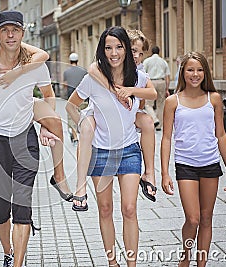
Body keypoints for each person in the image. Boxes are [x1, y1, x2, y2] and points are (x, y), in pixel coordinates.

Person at [0, 10, 63, 267]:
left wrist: (45, 126)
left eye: (15, 30)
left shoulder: (34, 65)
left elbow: (48, 95)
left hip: (25, 142)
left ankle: (17, 262)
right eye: (5, 30)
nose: (10, 35)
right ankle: (9, 251)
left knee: (22, 207)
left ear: (22, 33)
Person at [0, 12, 72, 207]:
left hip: (22, 103)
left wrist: (44, 125)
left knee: (56, 122)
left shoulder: (12, 43)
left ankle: (59, 176)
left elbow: (43, 56)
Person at [66, 26, 157, 266]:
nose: (114, 53)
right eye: (108, 47)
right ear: (102, 50)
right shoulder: (93, 78)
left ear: (127, 49)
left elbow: (154, 94)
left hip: (128, 150)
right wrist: (86, 125)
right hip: (101, 153)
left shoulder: (138, 78)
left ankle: (131, 264)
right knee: (105, 209)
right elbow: (70, 106)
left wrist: (127, 90)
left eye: (119, 47)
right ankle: (112, 262)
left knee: (129, 209)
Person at [161, 52, 226, 267]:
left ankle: (201, 264)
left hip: (211, 164)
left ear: (205, 72)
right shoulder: (172, 101)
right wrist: (165, 173)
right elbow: (166, 138)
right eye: (190, 70)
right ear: (183, 72)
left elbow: (221, 135)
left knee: (206, 218)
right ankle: (186, 256)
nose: (195, 74)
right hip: (185, 165)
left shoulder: (213, 98)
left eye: (200, 70)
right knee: (192, 218)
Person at [143, 45, 170, 130]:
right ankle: (159, 125)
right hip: (162, 82)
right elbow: (167, 76)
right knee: (161, 104)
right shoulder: (163, 62)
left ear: (152, 52)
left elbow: (143, 73)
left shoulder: (147, 61)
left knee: (148, 104)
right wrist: (167, 89)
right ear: (159, 52)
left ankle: (154, 119)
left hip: (151, 82)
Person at [63, 52, 87, 144]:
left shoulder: (66, 72)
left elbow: (64, 84)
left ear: (70, 61)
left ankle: (75, 137)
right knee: (83, 117)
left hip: (71, 100)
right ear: (77, 60)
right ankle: (83, 136)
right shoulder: (83, 71)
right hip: (83, 99)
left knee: (71, 119)